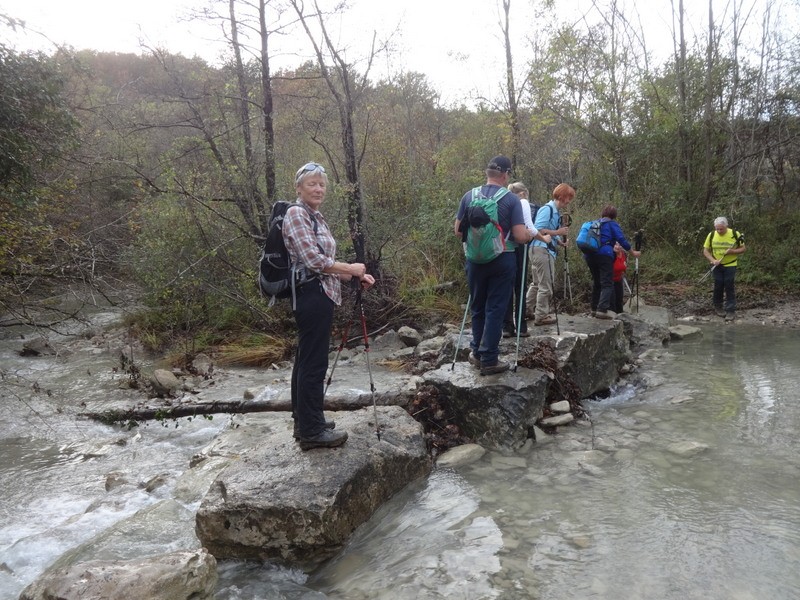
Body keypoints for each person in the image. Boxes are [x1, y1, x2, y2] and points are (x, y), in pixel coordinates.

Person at [283, 162, 375, 450]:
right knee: (313, 362)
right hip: (311, 295)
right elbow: (313, 260)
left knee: (305, 359)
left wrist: (355, 275)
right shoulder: (297, 214)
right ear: (299, 188)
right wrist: (351, 266)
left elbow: (324, 265)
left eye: (322, 184)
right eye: (312, 183)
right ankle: (311, 431)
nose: (318, 188)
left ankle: (307, 421)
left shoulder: (315, 217)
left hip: (319, 292)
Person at [454, 156, 551, 375]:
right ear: (505, 174)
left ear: (487, 173)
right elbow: (519, 236)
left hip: (475, 260)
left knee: (477, 306)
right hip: (503, 258)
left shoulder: (469, 196)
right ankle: (489, 359)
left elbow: (458, 231)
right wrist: (528, 235)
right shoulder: (511, 200)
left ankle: (477, 352)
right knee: (496, 307)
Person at [526, 183, 575, 326]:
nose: (569, 201)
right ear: (562, 196)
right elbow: (538, 230)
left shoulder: (554, 211)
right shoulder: (547, 209)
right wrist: (558, 233)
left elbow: (547, 231)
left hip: (538, 250)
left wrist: (559, 241)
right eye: (568, 198)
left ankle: (526, 310)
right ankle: (541, 316)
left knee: (536, 283)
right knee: (546, 285)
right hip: (542, 251)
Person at [583, 205, 640, 319]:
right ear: (614, 215)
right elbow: (621, 239)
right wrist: (633, 252)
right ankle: (602, 310)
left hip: (589, 255)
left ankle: (594, 308)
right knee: (607, 283)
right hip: (604, 255)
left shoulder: (594, 223)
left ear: (603, 213)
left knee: (597, 281)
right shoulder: (612, 224)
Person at [502, 181, 541, 338]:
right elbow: (529, 228)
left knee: (507, 287)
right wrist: (544, 238)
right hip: (519, 247)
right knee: (520, 287)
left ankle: (506, 327)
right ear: (523, 193)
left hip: (503, 248)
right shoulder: (522, 202)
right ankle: (521, 326)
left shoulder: (503, 201)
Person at [702, 216, 746, 321]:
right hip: (716, 265)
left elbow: (743, 248)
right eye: (717, 228)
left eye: (721, 229)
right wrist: (713, 260)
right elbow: (705, 251)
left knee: (729, 284)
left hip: (730, 264)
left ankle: (730, 310)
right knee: (718, 284)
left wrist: (732, 252)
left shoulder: (735, 234)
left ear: (726, 226)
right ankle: (718, 306)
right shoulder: (711, 235)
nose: (719, 231)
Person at [611, 242, 628, 314]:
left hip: (619, 279)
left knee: (620, 298)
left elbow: (624, 265)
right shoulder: (610, 255)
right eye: (616, 244)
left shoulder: (624, 254)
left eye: (620, 245)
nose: (618, 247)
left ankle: (621, 316)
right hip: (610, 280)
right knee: (612, 300)